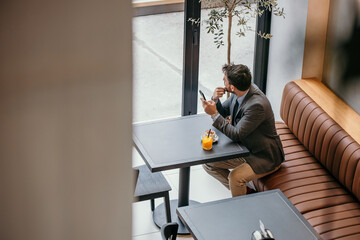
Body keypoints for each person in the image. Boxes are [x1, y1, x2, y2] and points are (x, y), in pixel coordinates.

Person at [200, 63, 284, 197]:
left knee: (235, 177)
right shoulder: (241, 91)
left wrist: (214, 114)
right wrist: (215, 100)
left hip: (263, 155)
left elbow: (236, 134)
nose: (223, 81)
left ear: (232, 87)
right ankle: (247, 193)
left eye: (225, 79)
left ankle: (242, 209)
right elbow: (225, 111)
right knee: (208, 163)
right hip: (246, 147)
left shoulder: (256, 105)